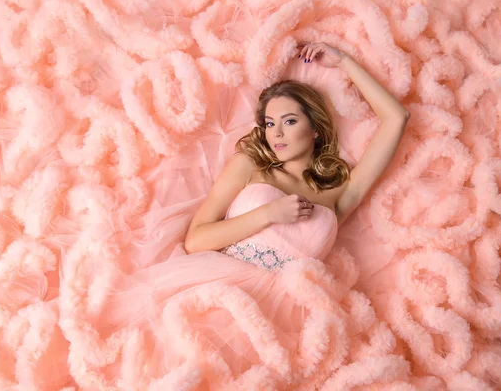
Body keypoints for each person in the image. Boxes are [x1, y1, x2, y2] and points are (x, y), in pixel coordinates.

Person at [105, 42, 410, 389]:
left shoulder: (338, 190)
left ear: (315, 130)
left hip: (292, 317)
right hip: (224, 287)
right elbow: (195, 240)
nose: (276, 133)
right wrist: (268, 213)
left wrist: (344, 62)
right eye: (269, 123)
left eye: (290, 121)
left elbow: (397, 118)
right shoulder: (251, 167)